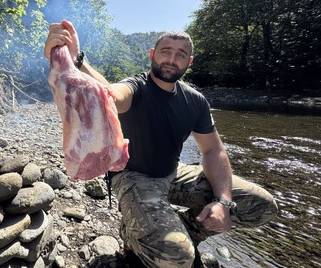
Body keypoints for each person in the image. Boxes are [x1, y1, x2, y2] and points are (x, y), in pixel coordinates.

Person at [44, 20, 278, 268]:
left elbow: (213, 149)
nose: (172, 59)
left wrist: (223, 202)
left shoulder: (196, 101)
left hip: (174, 173)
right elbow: (111, 94)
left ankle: (187, 229)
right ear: (152, 55)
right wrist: (75, 61)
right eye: (166, 51)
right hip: (134, 177)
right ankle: (135, 237)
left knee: (261, 205)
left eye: (181, 54)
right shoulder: (138, 86)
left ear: (190, 62)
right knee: (178, 259)